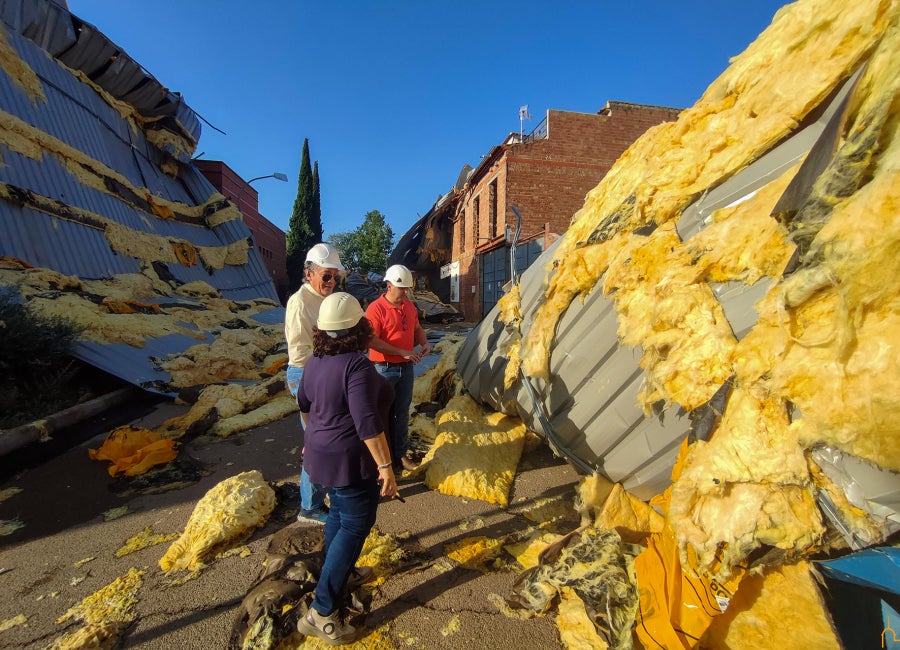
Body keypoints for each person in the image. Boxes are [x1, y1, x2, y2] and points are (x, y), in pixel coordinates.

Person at [295, 292, 399, 645]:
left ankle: (339, 574)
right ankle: (322, 611)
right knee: (356, 523)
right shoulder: (356, 364)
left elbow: (304, 403)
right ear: (359, 327)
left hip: (320, 456)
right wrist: (386, 466)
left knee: (339, 515)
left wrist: (313, 437)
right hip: (350, 460)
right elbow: (367, 421)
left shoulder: (314, 362)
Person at [284, 243, 345, 524]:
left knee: (327, 437)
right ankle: (309, 507)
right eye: (327, 276)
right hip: (306, 375)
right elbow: (300, 353)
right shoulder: (300, 303)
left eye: (335, 277)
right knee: (317, 441)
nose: (332, 282)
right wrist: (326, 376)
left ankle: (323, 492)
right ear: (309, 273)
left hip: (323, 371)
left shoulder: (324, 299)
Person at [366, 264, 431, 472]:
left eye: (406, 289)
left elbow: (417, 328)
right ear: (388, 285)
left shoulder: (409, 306)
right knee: (380, 414)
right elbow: (371, 341)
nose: (405, 292)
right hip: (383, 370)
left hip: (406, 369)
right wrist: (400, 351)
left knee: (401, 414)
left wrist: (424, 343)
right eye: (401, 288)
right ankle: (381, 461)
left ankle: (400, 455)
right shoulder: (375, 309)